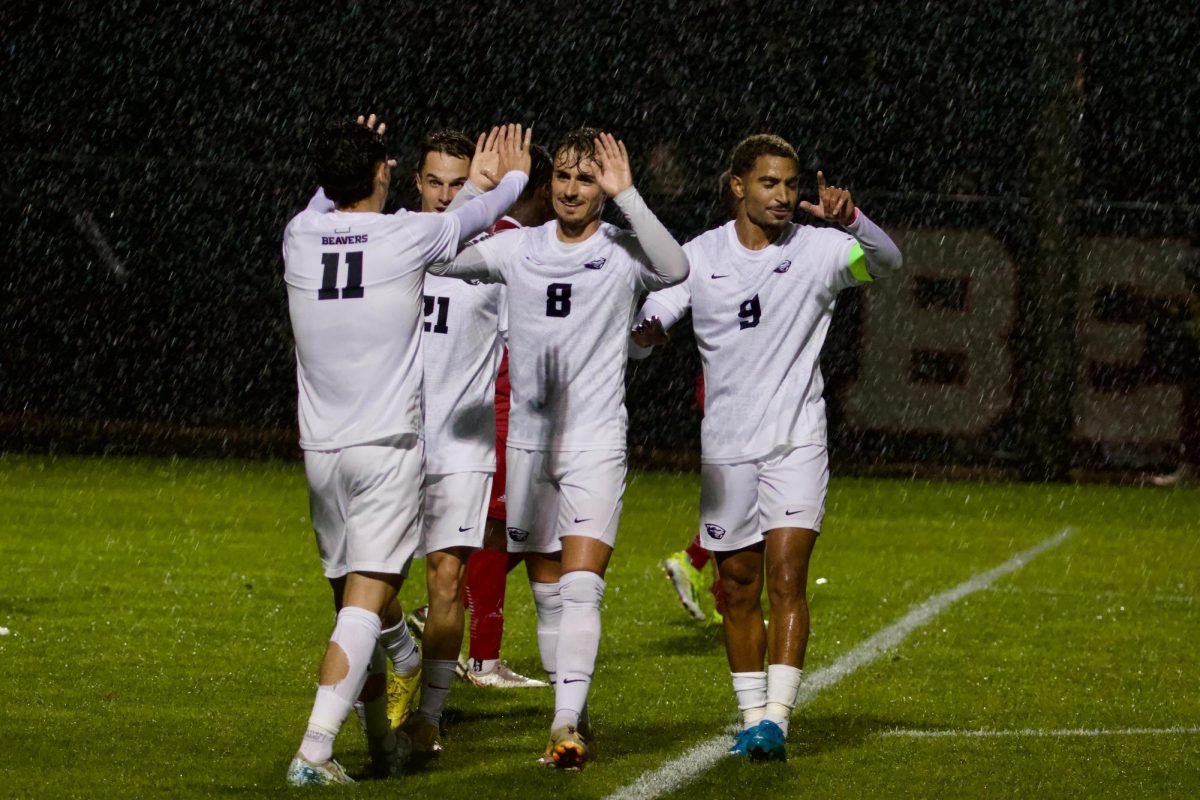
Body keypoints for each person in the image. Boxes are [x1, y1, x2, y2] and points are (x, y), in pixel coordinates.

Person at [632, 134, 902, 762]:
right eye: (769, 184)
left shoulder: (822, 250)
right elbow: (648, 329)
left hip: (796, 442)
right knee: (736, 585)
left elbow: (886, 262)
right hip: (727, 449)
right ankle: (750, 715)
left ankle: (776, 722)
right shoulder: (697, 256)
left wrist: (853, 219)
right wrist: (644, 334)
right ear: (738, 186)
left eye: (790, 185)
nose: (784, 196)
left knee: (787, 577)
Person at [281, 114, 530, 785]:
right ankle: (315, 747)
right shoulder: (405, 236)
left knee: (357, 605)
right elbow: (481, 211)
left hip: (320, 450)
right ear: (389, 174)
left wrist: (343, 155)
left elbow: (323, 201)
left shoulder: (299, 234)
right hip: (388, 445)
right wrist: (513, 178)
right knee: (366, 603)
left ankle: (386, 737)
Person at [428, 129, 689, 769]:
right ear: (550, 186)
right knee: (547, 590)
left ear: (604, 187)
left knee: (581, 586)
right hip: (526, 448)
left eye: (587, 179)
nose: (573, 190)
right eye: (564, 178)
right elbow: (436, 258)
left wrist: (630, 197)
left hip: (596, 444)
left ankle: (566, 723)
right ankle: (569, 709)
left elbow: (677, 269)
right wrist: (482, 191)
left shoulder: (624, 252)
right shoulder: (517, 247)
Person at [396, 131, 549, 762]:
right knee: (370, 586)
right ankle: (403, 666)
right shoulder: (395, 238)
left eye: (460, 184)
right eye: (435, 183)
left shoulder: (507, 247)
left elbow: (535, 340)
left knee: (448, 580)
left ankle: (428, 717)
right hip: (392, 439)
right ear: (416, 184)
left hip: (461, 444)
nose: (446, 197)